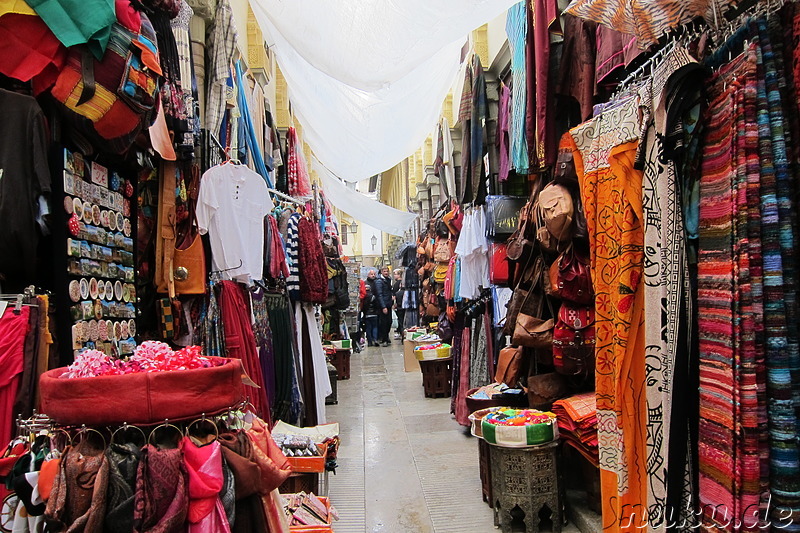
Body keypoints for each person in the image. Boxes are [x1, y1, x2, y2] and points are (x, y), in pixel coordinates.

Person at [375, 266, 394, 346]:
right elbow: (379, 294)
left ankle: (385, 337)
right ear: (381, 272)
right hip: (383, 305)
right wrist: (383, 306)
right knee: (384, 322)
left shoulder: (388, 280)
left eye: (387, 271)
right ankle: (384, 338)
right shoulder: (379, 281)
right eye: (384, 271)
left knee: (389, 321)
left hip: (388, 303)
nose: (386, 273)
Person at [362, 269, 380, 347]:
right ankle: (375, 339)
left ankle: (370, 341)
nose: (373, 275)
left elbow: (364, 306)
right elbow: (377, 304)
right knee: (375, 327)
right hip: (374, 314)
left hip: (367, 314)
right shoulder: (373, 296)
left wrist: (364, 312)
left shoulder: (364, 297)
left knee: (368, 328)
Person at [392, 269, 405, 340]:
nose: (394, 275)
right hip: (402, 305)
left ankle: (401, 333)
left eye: (395, 274)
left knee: (401, 320)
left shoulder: (397, 284)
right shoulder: (399, 283)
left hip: (399, 305)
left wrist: (394, 304)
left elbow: (394, 295)